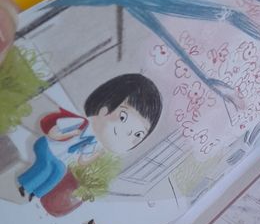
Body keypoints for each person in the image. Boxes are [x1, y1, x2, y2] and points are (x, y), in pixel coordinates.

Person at [17, 73, 162, 202]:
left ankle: (35, 193)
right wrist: (72, 134)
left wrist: (95, 156)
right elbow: (53, 132)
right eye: (123, 117)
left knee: (57, 173)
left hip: (61, 159)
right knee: (46, 167)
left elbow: (81, 161)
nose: (128, 133)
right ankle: (24, 186)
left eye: (138, 134)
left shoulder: (95, 145)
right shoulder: (81, 123)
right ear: (104, 108)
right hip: (49, 146)